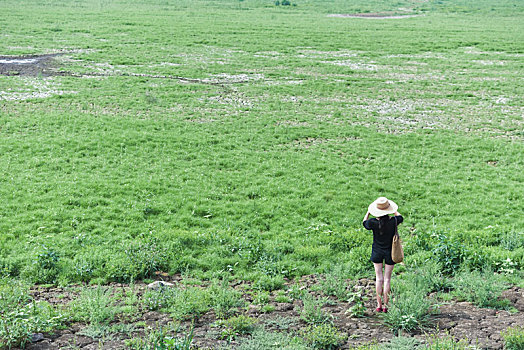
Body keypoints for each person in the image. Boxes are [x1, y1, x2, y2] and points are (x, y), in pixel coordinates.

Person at [362, 197, 403, 313]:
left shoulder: (373, 223)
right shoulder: (394, 221)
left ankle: (379, 305)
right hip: (391, 252)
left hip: (377, 252)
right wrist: (393, 210)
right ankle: (386, 306)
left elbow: (364, 223)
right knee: (387, 279)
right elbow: (400, 216)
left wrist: (369, 212)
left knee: (379, 279)